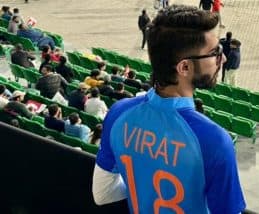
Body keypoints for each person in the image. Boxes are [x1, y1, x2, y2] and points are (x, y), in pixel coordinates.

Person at [92, 5, 246, 214]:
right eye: (215, 53)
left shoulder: (119, 114)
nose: (223, 59)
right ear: (184, 68)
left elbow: (103, 194)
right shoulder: (214, 140)